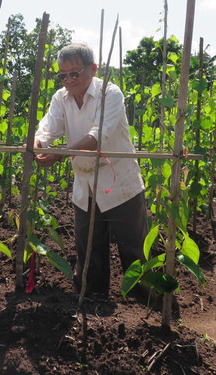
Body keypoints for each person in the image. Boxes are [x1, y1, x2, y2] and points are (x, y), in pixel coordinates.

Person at [34, 43, 148, 298]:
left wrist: (61, 154)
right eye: (63, 75)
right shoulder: (61, 98)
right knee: (88, 247)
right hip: (84, 182)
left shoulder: (110, 94)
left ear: (93, 69)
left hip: (119, 180)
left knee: (133, 246)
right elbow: (48, 128)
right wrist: (37, 143)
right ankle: (92, 296)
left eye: (75, 73)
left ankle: (145, 300)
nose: (69, 80)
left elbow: (97, 137)